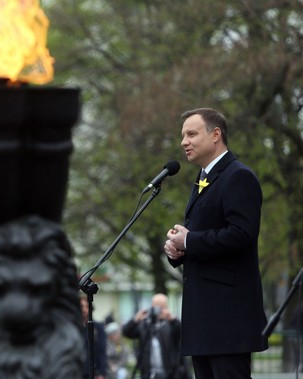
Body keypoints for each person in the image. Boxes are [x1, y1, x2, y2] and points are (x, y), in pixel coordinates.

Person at [164, 107, 268, 378]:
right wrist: (178, 251)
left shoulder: (238, 177)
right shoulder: (202, 179)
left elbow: (242, 235)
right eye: (182, 136)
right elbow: (205, 241)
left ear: (215, 135)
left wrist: (191, 240)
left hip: (227, 320)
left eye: (191, 134)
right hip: (204, 319)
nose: (183, 142)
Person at [122, 293, 187, 379]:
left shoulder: (171, 324)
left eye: (162, 307)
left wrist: (172, 319)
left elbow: (184, 334)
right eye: (156, 306)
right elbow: (126, 332)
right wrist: (135, 320)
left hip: (171, 373)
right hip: (148, 373)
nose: (159, 310)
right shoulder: (145, 324)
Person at [80, 297, 107, 379]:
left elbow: (102, 351)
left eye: (87, 306)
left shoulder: (98, 328)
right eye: (81, 306)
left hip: (93, 372)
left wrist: (101, 372)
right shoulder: (73, 328)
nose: (84, 310)